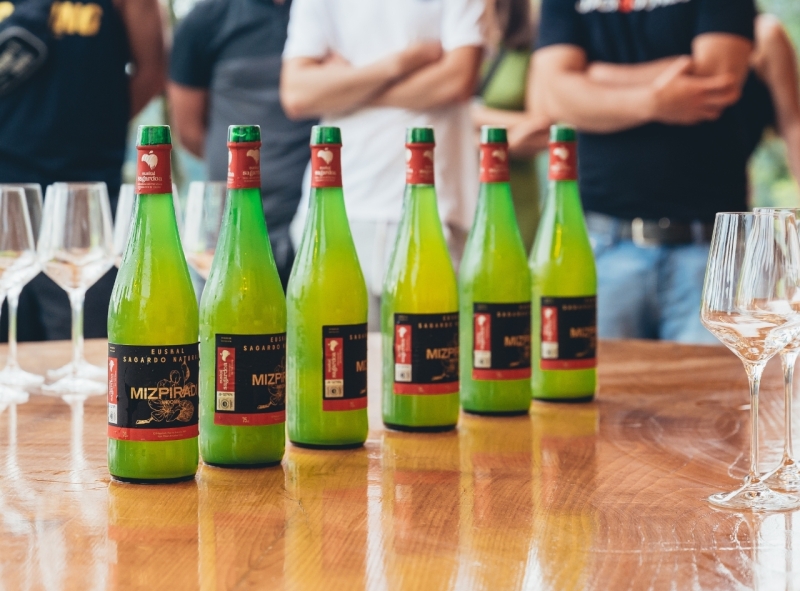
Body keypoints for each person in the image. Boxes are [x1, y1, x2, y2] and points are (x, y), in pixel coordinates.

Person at [534, 0, 761, 344]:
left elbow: (716, 77)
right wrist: (654, 101)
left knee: (715, 395)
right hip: (599, 244)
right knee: (596, 393)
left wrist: (594, 75)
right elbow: (554, 95)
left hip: (710, 251)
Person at [280, 0, 484, 327]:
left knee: (428, 371)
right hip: (336, 211)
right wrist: (400, 63)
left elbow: (457, 80)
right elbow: (297, 93)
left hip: (435, 209)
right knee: (334, 373)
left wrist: (348, 84)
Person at [0, 0, 165, 340]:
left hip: (83, 203)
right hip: (5, 197)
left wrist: (92, 130)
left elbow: (151, 72)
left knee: (87, 357)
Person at [168, 0, 314, 288]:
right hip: (229, 232)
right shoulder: (206, 19)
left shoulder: (323, 12)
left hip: (314, 223)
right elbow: (190, 132)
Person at [472, 0, 548, 251]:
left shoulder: (527, 49)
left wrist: (467, 120)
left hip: (516, 197)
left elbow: (543, 126)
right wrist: (507, 139)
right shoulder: (450, 50)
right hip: (457, 193)